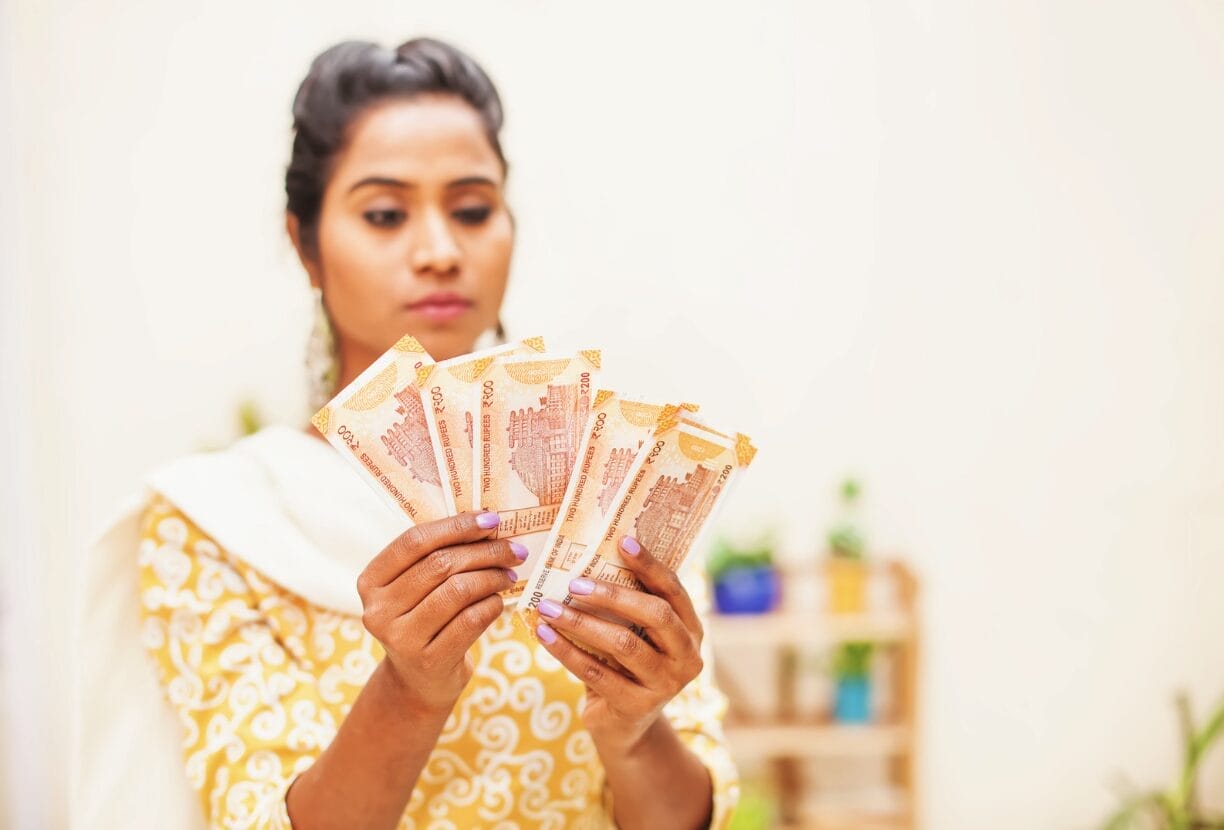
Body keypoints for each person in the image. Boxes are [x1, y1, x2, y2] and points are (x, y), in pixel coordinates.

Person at [72, 38, 738, 830]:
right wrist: (409, 689)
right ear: (305, 243)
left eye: (472, 209)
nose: (440, 252)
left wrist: (634, 731)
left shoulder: (608, 488)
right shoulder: (219, 523)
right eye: (384, 214)